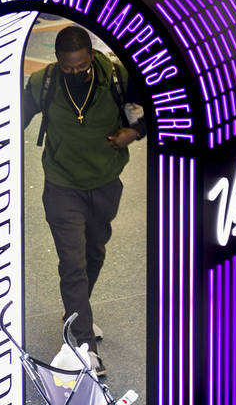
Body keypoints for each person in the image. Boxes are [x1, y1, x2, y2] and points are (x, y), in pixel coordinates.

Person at [22, 26, 148, 377]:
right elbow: (12, 118)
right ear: (58, 61)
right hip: (62, 185)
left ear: (91, 56)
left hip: (105, 182)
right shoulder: (43, 83)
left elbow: (157, 107)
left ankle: (77, 313)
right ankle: (83, 345)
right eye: (68, 67)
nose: (75, 72)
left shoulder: (119, 78)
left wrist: (134, 132)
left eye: (81, 66)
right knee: (72, 262)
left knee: (95, 251)